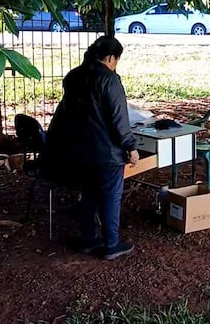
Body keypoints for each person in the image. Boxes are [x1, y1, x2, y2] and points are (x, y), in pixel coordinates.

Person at [43, 36, 139, 259]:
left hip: (79, 151)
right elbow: (119, 119)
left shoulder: (74, 76)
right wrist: (131, 147)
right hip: (107, 154)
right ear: (111, 58)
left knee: (88, 195)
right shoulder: (109, 80)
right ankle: (111, 245)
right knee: (110, 197)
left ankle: (88, 239)